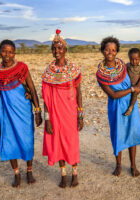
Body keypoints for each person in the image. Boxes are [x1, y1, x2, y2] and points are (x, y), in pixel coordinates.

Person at [0, 39, 42, 187]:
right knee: (9, 142)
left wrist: (37, 111)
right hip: (6, 113)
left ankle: (29, 171)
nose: (7, 54)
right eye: (4, 51)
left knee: (27, 141)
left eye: (11, 52)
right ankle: (16, 173)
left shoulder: (22, 68)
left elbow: (32, 89)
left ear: (15, 53)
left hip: (24, 111)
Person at [96, 36, 140, 177]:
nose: (110, 52)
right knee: (118, 134)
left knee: (132, 133)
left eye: (113, 50)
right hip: (116, 106)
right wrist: (132, 89)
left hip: (131, 104)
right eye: (107, 50)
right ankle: (118, 165)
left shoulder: (123, 65)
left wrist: (139, 85)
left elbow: (138, 75)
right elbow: (112, 94)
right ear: (102, 51)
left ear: (117, 51)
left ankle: (133, 166)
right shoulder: (101, 73)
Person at [42, 29, 83, 188]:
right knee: (57, 143)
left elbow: (79, 93)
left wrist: (80, 115)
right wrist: (47, 119)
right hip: (54, 113)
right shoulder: (48, 72)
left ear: (65, 50)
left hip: (70, 112)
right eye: (54, 48)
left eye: (60, 48)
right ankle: (63, 174)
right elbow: (45, 97)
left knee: (71, 143)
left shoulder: (74, 69)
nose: (57, 51)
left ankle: (75, 173)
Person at [124, 48, 140, 116]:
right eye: (131, 59)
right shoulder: (127, 66)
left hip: (138, 84)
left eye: (136, 59)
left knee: (134, 94)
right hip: (129, 84)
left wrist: (138, 86)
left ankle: (131, 107)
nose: (134, 61)